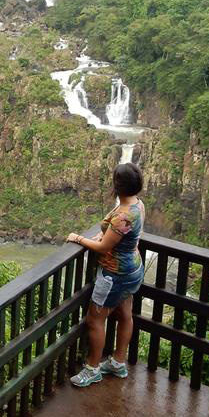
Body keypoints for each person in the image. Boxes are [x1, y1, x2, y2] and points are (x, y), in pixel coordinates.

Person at [67, 162, 146, 387]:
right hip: (133, 268)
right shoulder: (137, 205)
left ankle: (92, 369)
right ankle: (118, 362)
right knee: (125, 314)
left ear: (117, 185)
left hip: (115, 275)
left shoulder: (123, 216)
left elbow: (103, 248)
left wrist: (79, 239)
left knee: (95, 319)